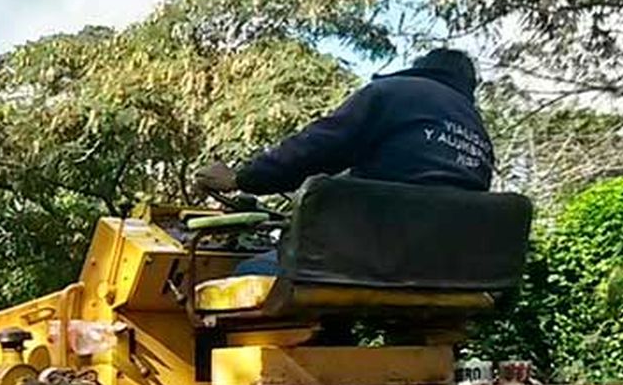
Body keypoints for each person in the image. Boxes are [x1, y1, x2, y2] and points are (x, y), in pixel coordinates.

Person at [194, 49, 494, 271]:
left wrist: (241, 179)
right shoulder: (476, 128)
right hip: (442, 268)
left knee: (248, 273)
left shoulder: (394, 93)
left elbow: (319, 146)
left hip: (375, 253)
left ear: (421, 68)